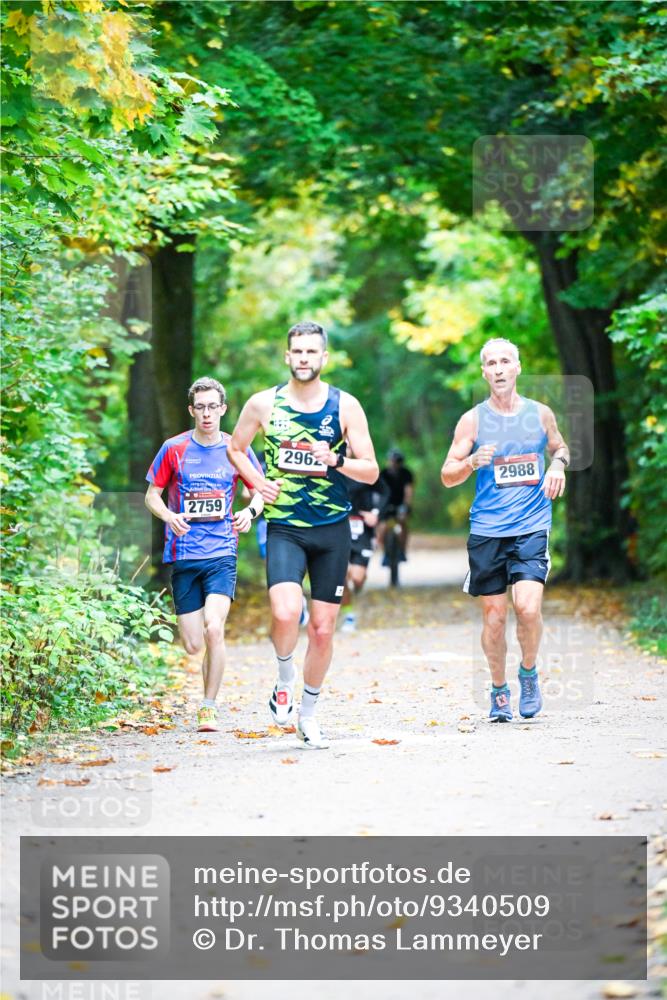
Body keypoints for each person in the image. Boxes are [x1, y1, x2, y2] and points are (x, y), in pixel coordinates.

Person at [227, 321, 379, 749]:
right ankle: (283, 678)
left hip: (332, 529)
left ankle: (308, 712)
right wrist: (257, 482)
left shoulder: (345, 406)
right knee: (283, 611)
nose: (305, 359)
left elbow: (371, 469)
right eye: (298, 352)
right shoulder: (262, 404)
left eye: (313, 352)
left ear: (323, 358)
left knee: (324, 630)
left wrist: (334, 459)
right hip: (285, 526)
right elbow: (235, 448)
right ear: (287, 356)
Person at [440, 338, 569, 722]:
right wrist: (471, 463)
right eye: (491, 363)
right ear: (484, 372)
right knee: (494, 619)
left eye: (504, 361)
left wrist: (558, 466)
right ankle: (499, 690)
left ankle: (528, 673)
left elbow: (560, 448)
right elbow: (447, 475)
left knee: (527, 608)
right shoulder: (473, 420)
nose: (498, 368)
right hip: (487, 531)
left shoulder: (541, 414)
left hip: (531, 526)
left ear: (517, 367)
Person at [145, 377, 264, 733]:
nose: (207, 413)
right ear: (192, 410)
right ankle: (207, 681)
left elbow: (260, 489)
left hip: (221, 552)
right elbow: (152, 494)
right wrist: (169, 515)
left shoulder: (236, 449)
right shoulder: (174, 448)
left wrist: (250, 512)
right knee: (194, 644)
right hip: (184, 555)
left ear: (223, 409)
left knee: (215, 629)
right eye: (201, 407)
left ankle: (208, 706)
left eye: (214, 406)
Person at [339, 477, 390, 632]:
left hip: (363, 531)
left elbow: (385, 492)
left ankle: (359, 582)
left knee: (357, 577)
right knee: (341, 577)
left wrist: (376, 513)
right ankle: (349, 616)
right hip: (339, 526)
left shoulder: (364, 469)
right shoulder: (330, 469)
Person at [377, 448, 414, 562]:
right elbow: (378, 491)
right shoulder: (383, 474)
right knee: (382, 528)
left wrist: (406, 506)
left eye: (396, 461)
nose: (393, 463)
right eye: (392, 460)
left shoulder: (406, 473)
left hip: (400, 504)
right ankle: (385, 553)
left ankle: (402, 550)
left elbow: (408, 491)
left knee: (403, 525)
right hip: (385, 504)